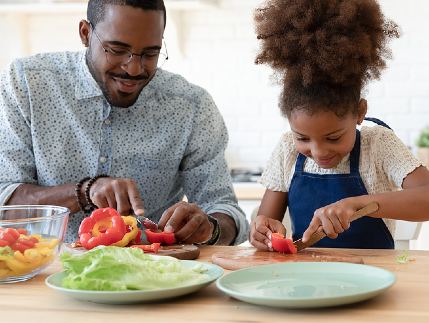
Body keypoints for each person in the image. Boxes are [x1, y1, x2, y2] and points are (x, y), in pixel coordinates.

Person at [0, 0, 249, 245]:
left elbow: (225, 210)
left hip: (153, 276)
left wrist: (210, 229)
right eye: (117, 50)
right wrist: (84, 191)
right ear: (85, 34)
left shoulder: (190, 106)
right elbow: (4, 200)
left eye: (150, 53)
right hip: (41, 272)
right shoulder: (27, 84)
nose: (133, 68)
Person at [249, 0, 429, 251]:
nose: (319, 151)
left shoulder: (378, 144)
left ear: (359, 112)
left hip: (374, 277)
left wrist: (361, 204)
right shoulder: (287, 150)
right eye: (302, 138)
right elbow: (267, 222)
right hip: (306, 282)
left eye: (333, 137)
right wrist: (262, 231)